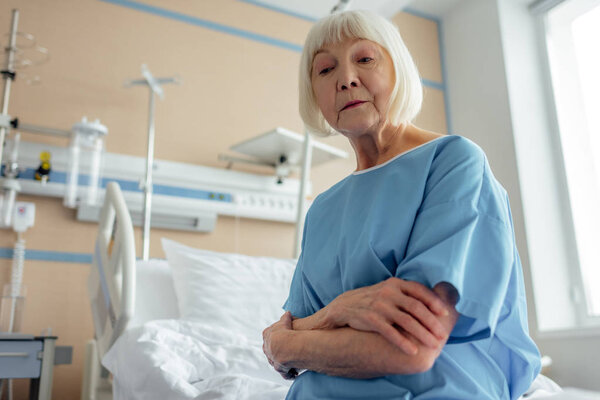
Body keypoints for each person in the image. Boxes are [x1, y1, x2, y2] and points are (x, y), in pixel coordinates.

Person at [262, 9, 541, 400]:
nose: (346, 79)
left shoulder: (453, 161)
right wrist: (339, 311)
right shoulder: (322, 210)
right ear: (314, 95)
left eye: (365, 59)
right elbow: (292, 344)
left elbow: (409, 348)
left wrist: (285, 343)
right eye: (325, 70)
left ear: (398, 70)